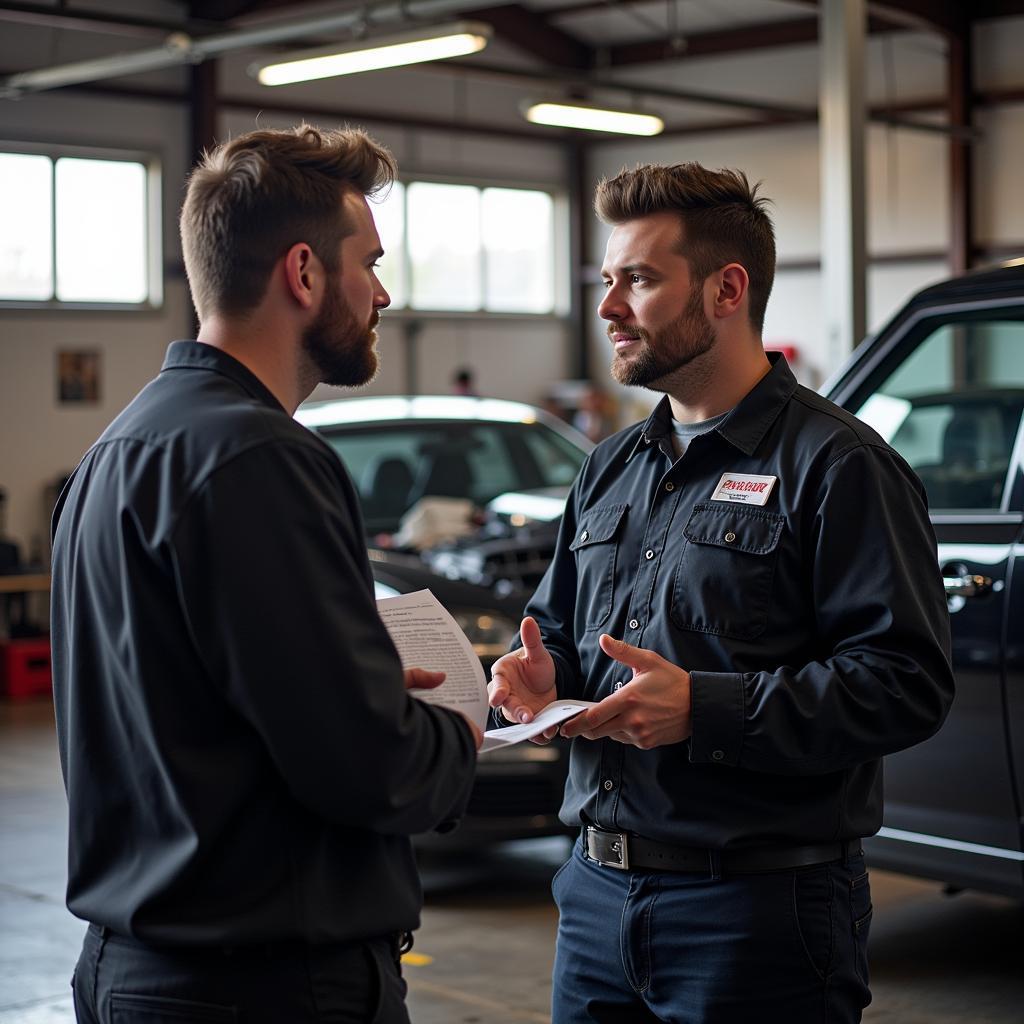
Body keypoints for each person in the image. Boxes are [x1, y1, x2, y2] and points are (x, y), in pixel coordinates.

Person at [489, 162, 954, 1023]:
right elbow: (553, 629)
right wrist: (537, 678)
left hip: (756, 916)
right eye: (607, 281)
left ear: (726, 289)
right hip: (592, 899)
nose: (608, 308)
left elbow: (905, 684)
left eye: (639, 280)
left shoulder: (839, 466)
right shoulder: (609, 469)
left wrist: (705, 707)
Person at [50, 125, 480, 1024]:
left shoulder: (122, 447)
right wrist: (452, 730)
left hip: (140, 968)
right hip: (265, 988)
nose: (384, 291)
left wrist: (343, 679)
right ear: (304, 273)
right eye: (370, 261)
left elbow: (204, 697)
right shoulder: (260, 457)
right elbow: (365, 764)